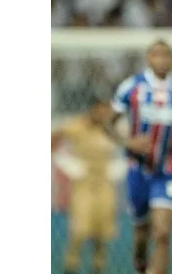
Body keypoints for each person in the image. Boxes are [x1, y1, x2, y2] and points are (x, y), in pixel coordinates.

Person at [104, 40, 172, 274]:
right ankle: (140, 262)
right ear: (148, 58)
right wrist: (129, 142)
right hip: (138, 169)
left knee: (162, 232)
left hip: (169, 169)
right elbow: (109, 123)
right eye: (156, 55)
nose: (161, 60)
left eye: (166, 55)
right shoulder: (132, 87)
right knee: (142, 232)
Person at [51, 95, 124, 274]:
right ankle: (71, 266)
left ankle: (98, 268)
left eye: (107, 110)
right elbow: (54, 138)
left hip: (105, 184)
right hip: (84, 184)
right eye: (101, 109)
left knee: (102, 233)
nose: (104, 113)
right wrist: (64, 161)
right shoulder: (78, 125)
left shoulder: (112, 129)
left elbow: (129, 145)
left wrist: (120, 166)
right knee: (79, 230)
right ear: (93, 109)